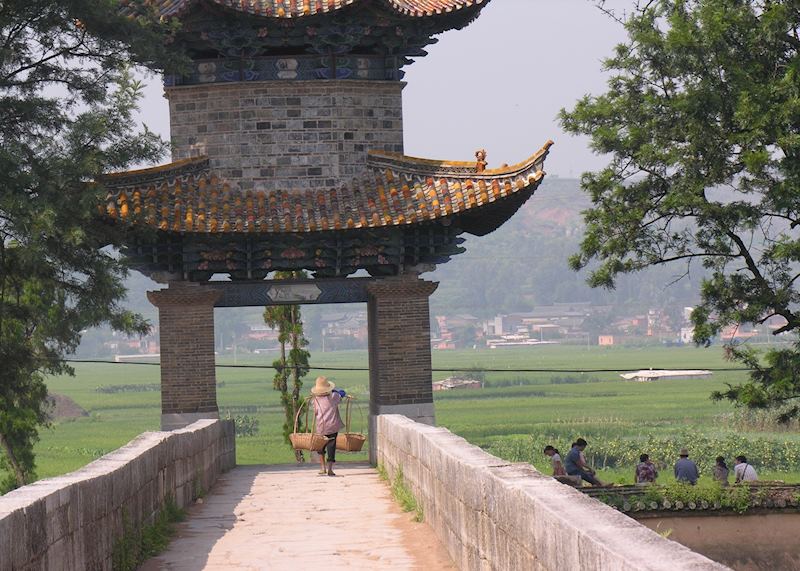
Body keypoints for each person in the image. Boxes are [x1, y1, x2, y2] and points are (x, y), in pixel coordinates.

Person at [310, 376, 347, 477]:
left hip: (320, 426)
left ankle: (322, 468)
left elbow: (316, 412)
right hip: (332, 426)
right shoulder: (334, 396)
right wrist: (335, 391)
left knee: (320, 447)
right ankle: (330, 469)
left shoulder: (315, 400)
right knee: (331, 446)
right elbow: (342, 393)